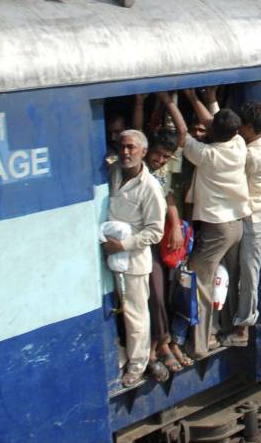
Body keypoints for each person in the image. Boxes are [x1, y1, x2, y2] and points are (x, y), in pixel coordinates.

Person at [178, 108, 250, 359]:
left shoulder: (206, 154)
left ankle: (197, 345)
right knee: (231, 280)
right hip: (237, 225)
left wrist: (171, 103)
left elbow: (182, 134)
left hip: (216, 228)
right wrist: (195, 100)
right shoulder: (239, 144)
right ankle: (228, 328)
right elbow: (216, 124)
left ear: (211, 131)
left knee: (199, 281)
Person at [102, 129, 165, 388]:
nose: (126, 152)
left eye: (131, 148)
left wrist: (123, 244)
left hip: (134, 260)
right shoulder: (115, 172)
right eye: (123, 147)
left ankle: (137, 366)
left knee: (135, 315)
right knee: (120, 310)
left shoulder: (150, 187)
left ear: (143, 152)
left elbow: (155, 231)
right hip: (113, 256)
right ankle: (123, 357)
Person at [224, 102, 261, 348]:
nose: (238, 130)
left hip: (254, 218)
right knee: (245, 270)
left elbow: (229, 157)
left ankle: (243, 327)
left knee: (249, 272)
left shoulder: (253, 156)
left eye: (241, 126)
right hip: (254, 214)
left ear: (251, 128)